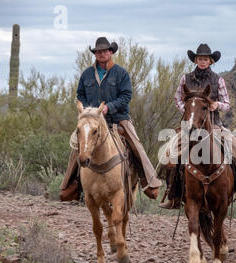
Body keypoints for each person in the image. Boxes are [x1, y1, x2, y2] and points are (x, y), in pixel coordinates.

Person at [158, 43, 236, 209]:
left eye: (205, 59)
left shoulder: (218, 79)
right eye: (200, 58)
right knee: (170, 155)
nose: (202, 61)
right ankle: (172, 194)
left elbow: (227, 103)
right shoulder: (186, 78)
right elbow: (178, 98)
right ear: (195, 60)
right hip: (189, 126)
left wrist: (216, 105)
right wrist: (189, 110)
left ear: (211, 61)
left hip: (214, 126)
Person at [60, 37, 162, 201]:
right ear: (95, 54)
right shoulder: (86, 74)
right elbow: (80, 94)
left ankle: (148, 181)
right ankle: (70, 185)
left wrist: (109, 107)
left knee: (136, 145)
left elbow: (126, 95)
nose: (101, 54)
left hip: (118, 118)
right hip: (92, 120)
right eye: (98, 51)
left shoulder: (121, 73)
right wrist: (88, 111)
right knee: (78, 145)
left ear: (110, 52)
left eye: (104, 51)